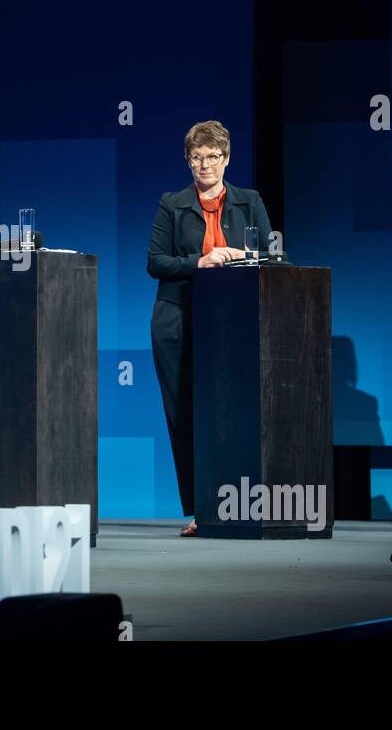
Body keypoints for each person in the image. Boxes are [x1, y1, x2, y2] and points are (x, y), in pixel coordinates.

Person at [147, 120, 272, 538]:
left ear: (227, 159)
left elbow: (272, 255)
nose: (205, 165)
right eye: (197, 157)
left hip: (232, 322)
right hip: (178, 320)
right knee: (185, 414)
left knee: (229, 414)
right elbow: (156, 262)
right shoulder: (172, 203)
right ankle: (201, 507)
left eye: (213, 157)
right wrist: (200, 261)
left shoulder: (249, 201)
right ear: (188, 160)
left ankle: (235, 503)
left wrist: (241, 257)